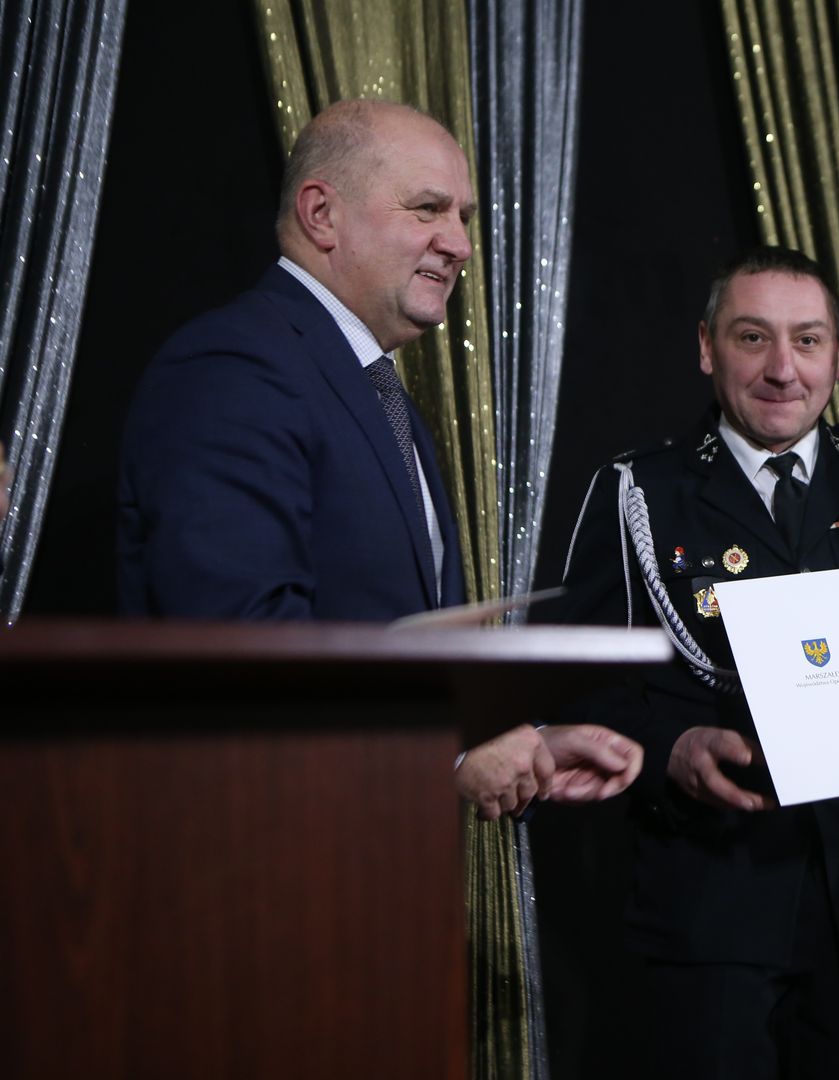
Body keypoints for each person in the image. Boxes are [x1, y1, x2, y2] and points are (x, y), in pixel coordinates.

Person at [117, 99, 638, 814]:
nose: (459, 244)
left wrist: (519, 742)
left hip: (369, 848)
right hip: (253, 845)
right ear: (321, 215)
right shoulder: (235, 366)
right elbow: (242, 640)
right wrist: (447, 748)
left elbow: (390, 636)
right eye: (427, 209)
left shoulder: (368, 383)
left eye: (464, 217)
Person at [552, 246, 839, 1078]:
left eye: (808, 340)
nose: (783, 369)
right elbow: (577, 683)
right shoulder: (639, 490)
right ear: (707, 347)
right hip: (709, 905)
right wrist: (671, 749)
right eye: (753, 337)